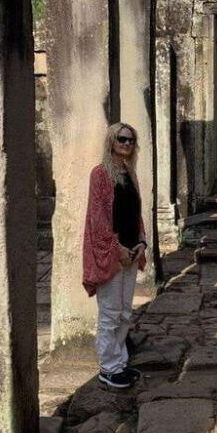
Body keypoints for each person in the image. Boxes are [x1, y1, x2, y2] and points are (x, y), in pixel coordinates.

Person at [82, 123, 148, 389]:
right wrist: (116, 247)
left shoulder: (130, 173)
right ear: (111, 141)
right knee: (109, 312)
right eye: (121, 139)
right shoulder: (100, 175)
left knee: (124, 312)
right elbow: (97, 218)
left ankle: (119, 363)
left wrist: (142, 242)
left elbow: (136, 212)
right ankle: (108, 368)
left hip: (132, 250)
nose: (126, 144)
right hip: (112, 252)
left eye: (131, 140)